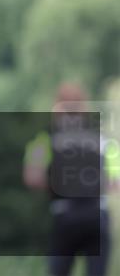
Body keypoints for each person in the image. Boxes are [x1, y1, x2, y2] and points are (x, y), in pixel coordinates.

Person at [23, 82, 119, 276]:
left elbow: (31, 177)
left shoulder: (44, 140)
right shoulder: (103, 140)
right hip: (97, 215)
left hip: (65, 215)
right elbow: (115, 182)